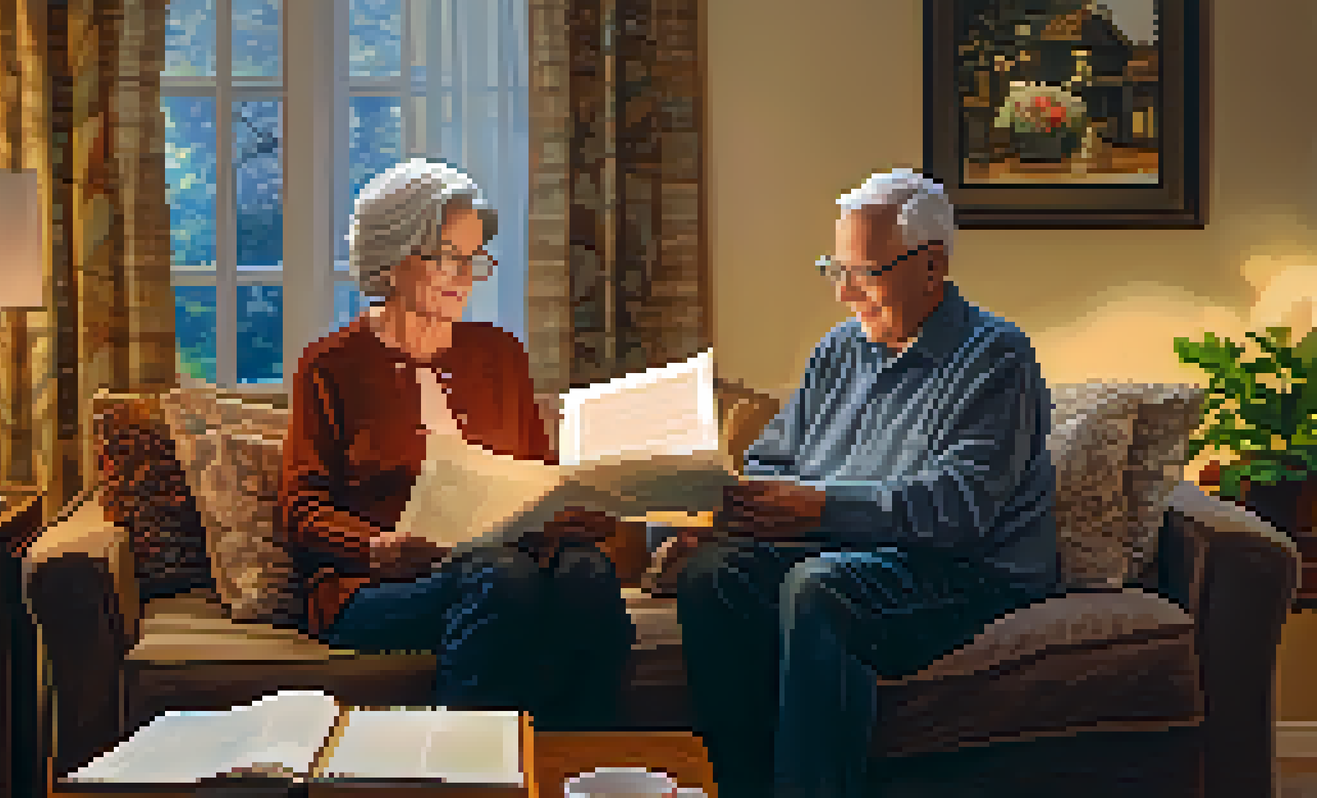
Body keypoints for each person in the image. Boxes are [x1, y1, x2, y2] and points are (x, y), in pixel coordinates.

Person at [667, 168, 1058, 798]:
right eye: (835, 269)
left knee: (823, 588)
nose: (845, 293)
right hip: (849, 550)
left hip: (966, 569)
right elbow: (774, 460)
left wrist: (818, 507)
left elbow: (957, 508)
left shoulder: (996, 357)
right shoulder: (839, 351)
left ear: (932, 267)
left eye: (865, 272)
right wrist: (726, 515)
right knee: (716, 573)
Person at [275, 157, 634, 730]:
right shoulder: (330, 365)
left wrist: (580, 508)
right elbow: (301, 512)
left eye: (472, 260)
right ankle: (460, 773)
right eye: (447, 256)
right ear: (391, 258)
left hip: (500, 565)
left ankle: (578, 772)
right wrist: (381, 547)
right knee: (503, 579)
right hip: (377, 586)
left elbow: (535, 480)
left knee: (586, 574)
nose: (463, 276)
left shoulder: (499, 354)